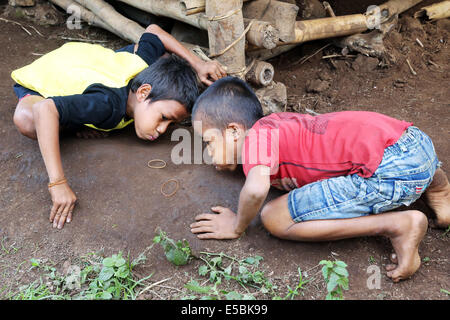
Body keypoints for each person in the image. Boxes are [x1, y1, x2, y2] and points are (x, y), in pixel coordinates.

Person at [189, 77, 450, 282]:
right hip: (416, 143)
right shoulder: (279, 124)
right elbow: (325, 156)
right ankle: (441, 191)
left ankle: (399, 224)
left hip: (392, 171)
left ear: (234, 131)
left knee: (274, 217)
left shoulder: (256, 139)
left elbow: (256, 189)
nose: (210, 152)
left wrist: (237, 225)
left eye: (209, 142)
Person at [11, 24, 226, 230]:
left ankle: (75, 114)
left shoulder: (144, 66)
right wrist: (57, 183)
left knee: (161, 57)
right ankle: (72, 120)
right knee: (27, 121)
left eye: (171, 124)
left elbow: (154, 31)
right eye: (163, 117)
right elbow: (44, 110)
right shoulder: (107, 105)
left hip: (82, 59)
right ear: (143, 92)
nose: (162, 129)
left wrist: (198, 65)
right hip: (44, 77)